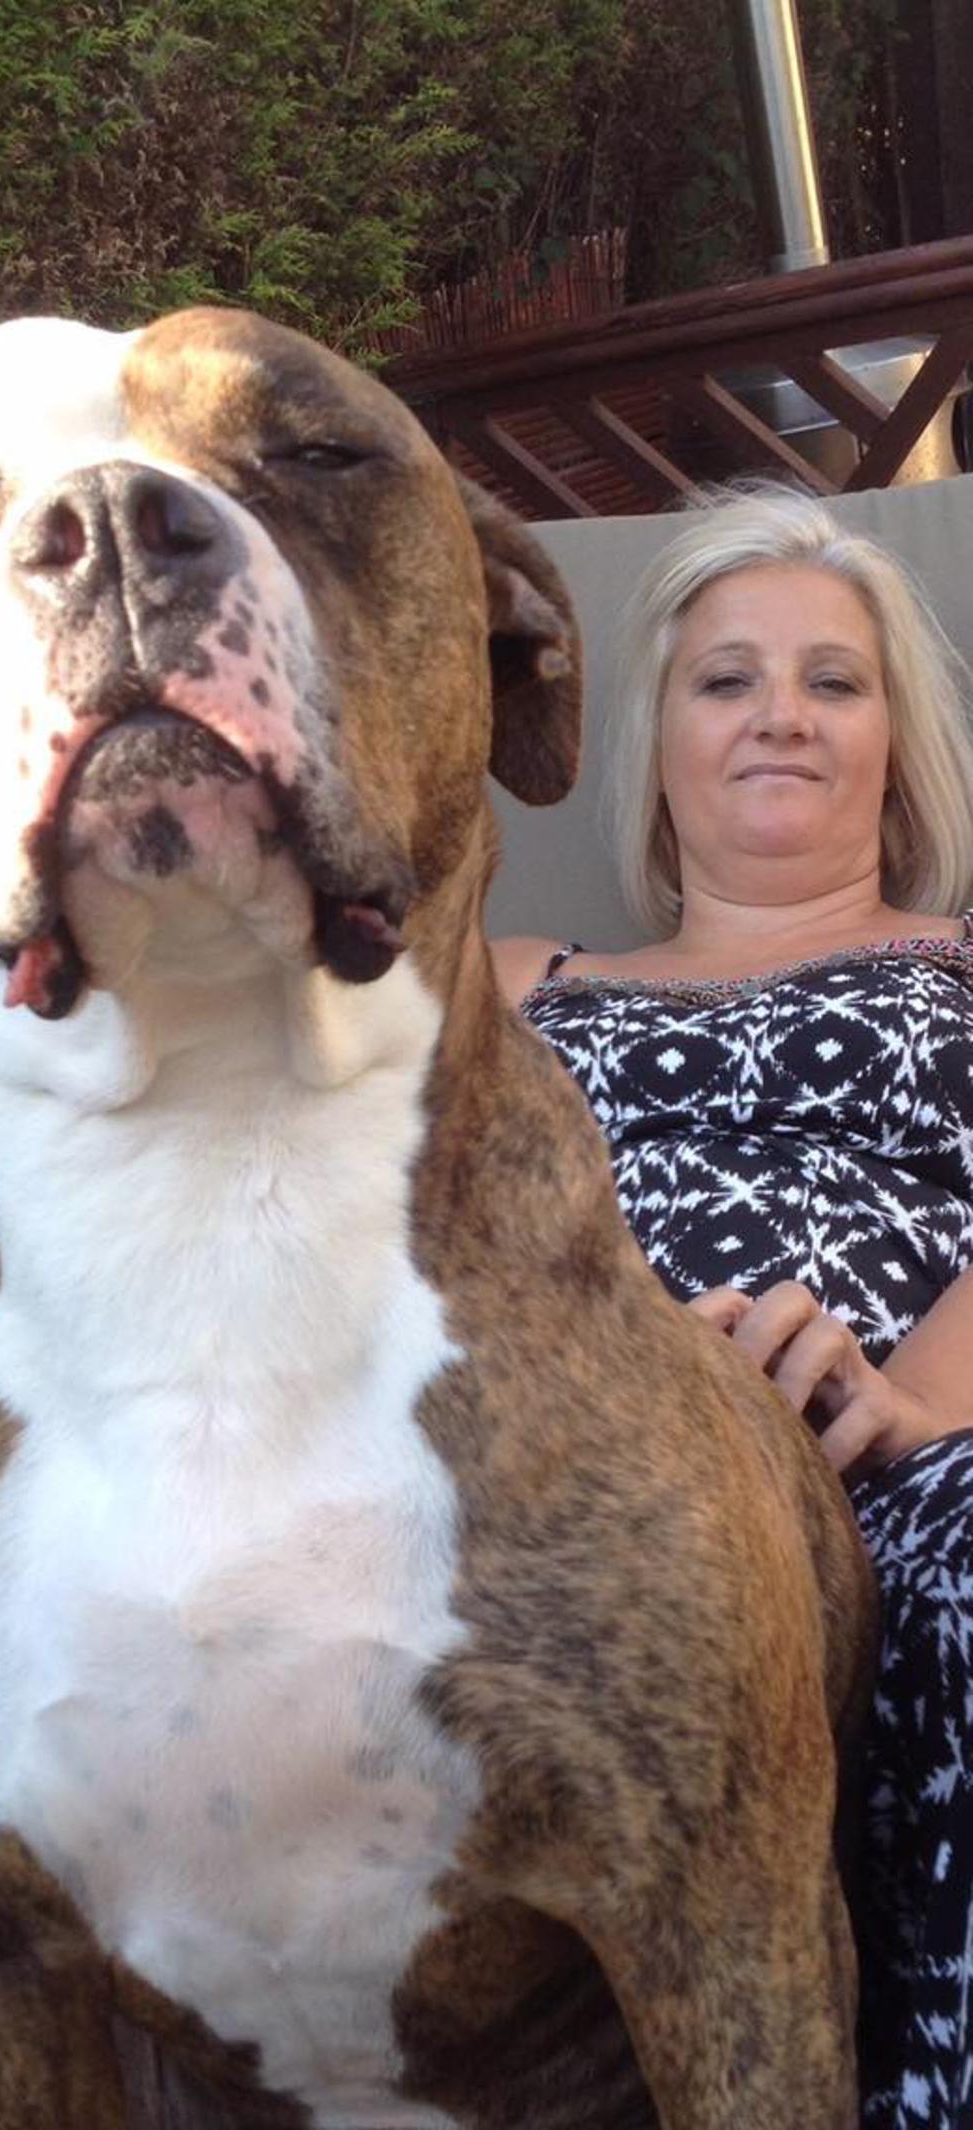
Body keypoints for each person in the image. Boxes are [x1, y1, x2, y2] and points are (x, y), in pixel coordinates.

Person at [494, 481, 973, 2130]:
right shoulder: (510, 981)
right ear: (659, 743)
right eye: (727, 678)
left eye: (833, 680)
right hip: (538, 1494)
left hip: (889, 1477)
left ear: (898, 743)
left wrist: (914, 1399)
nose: (780, 712)